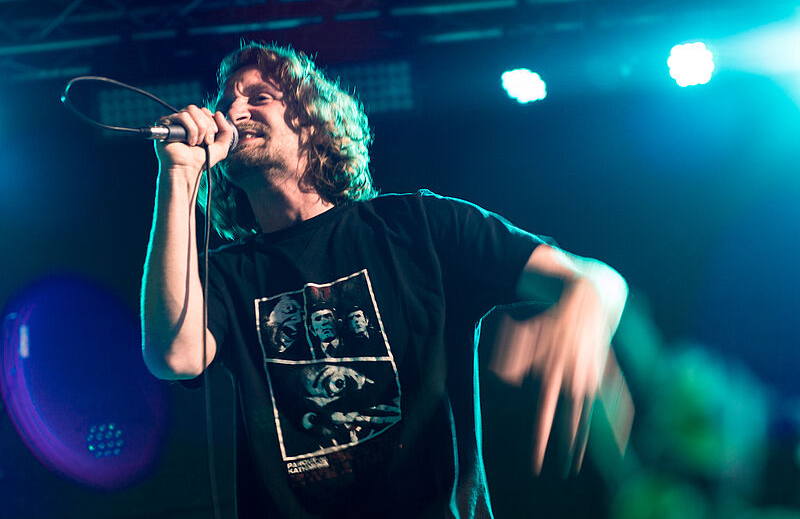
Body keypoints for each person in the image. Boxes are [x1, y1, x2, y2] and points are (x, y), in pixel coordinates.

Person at [141, 42, 628, 518]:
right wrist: (177, 174)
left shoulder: (418, 225)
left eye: (258, 96)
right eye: (225, 102)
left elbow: (593, 280)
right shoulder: (226, 274)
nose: (232, 111)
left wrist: (586, 300)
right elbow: (176, 356)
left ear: (311, 121)